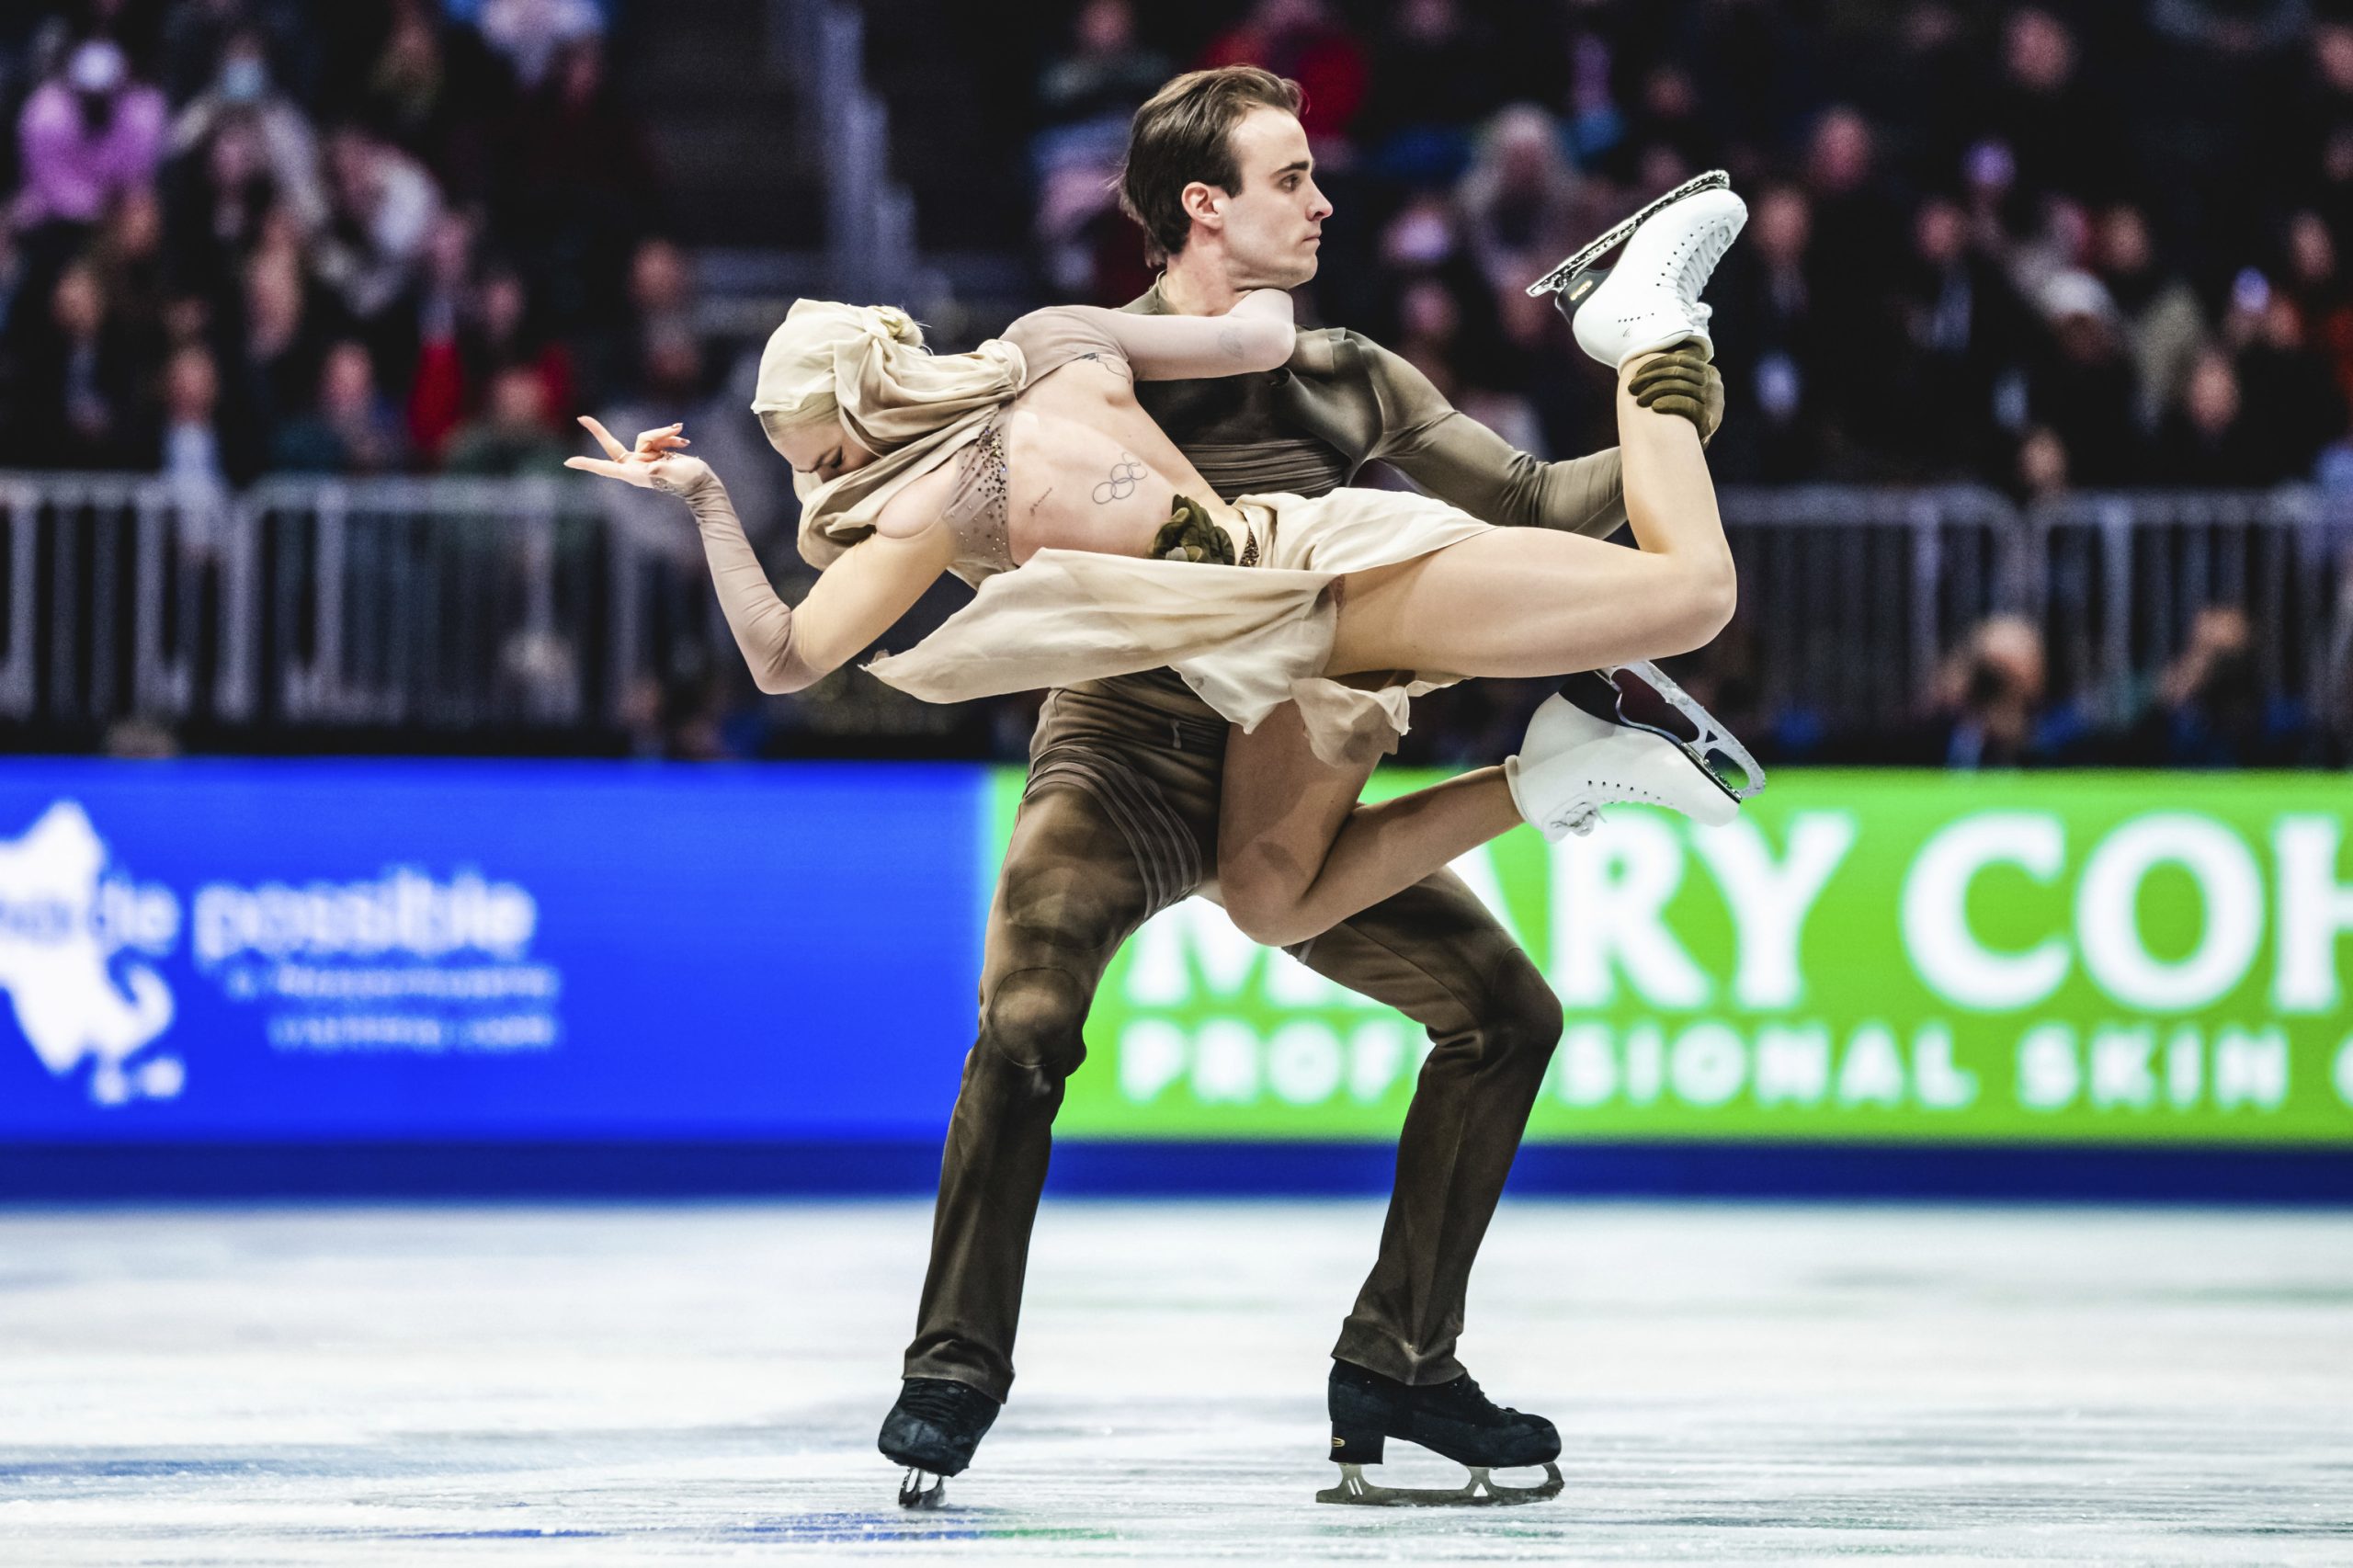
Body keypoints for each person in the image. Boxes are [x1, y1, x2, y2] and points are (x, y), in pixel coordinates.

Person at [567, 68, 1743, 1507]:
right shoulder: (1062, 367)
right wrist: (708, 501)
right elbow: (798, 644)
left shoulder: (1348, 369)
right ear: (1205, 205)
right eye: (1292, 179)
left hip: (1302, 701)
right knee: (1026, 1017)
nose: (1324, 201)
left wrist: (1671, 407)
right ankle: (954, 1365)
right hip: (1125, 746)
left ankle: (1402, 1357)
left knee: (1503, 1012)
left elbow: (1547, 509)